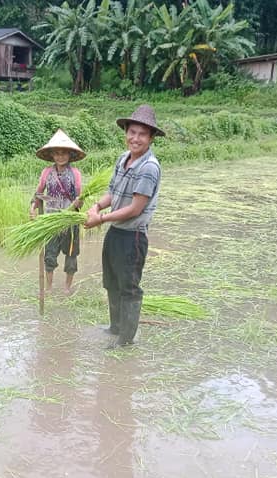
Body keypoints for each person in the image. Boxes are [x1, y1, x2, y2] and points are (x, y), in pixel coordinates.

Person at [84, 105, 164, 347]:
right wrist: (96, 206)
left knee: (128, 286)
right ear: (126, 133)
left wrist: (101, 218)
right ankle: (115, 327)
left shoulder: (149, 167)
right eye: (132, 132)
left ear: (150, 138)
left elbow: (135, 209)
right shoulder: (123, 158)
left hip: (133, 236)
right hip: (116, 232)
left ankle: (126, 341)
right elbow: (113, 191)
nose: (135, 138)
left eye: (142, 134)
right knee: (112, 281)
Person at [30, 129, 85, 294]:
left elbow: (80, 198)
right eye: (57, 153)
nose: (60, 156)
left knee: (71, 256)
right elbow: (39, 194)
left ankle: (67, 288)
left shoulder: (75, 173)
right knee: (49, 255)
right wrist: (33, 207)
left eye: (64, 153)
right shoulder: (47, 172)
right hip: (51, 220)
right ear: (52, 155)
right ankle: (49, 287)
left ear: (70, 155)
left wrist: (78, 202)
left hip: (69, 220)